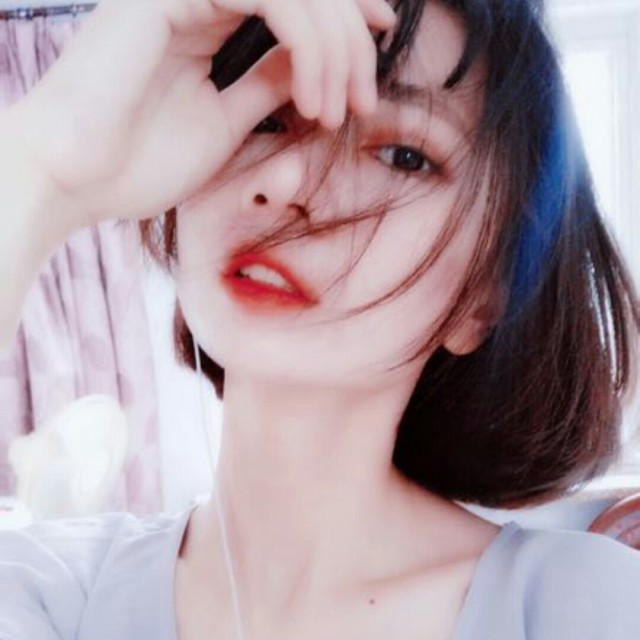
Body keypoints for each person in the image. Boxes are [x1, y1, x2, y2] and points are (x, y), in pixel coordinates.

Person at [1, 0, 639, 638]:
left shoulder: (581, 604)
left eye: (403, 155)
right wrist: (43, 172)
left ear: (486, 297)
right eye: (266, 120)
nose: (283, 180)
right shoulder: (51, 589)